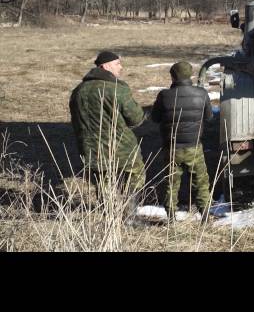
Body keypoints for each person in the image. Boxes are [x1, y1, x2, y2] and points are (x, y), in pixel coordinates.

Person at [69, 51, 146, 216]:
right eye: (117, 63)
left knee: (103, 181)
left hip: (91, 148)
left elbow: (76, 122)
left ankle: (110, 216)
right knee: (136, 175)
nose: (121, 67)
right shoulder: (118, 89)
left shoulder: (78, 91)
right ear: (105, 66)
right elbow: (136, 118)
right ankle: (129, 216)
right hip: (121, 146)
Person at [151, 61, 214, 224]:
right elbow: (209, 117)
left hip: (171, 148)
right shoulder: (201, 94)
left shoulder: (164, 96)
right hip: (194, 146)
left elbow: (155, 118)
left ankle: (171, 218)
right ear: (190, 75)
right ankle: (205, 216)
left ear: (172, 76)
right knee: (200, 182)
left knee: (171, 184)